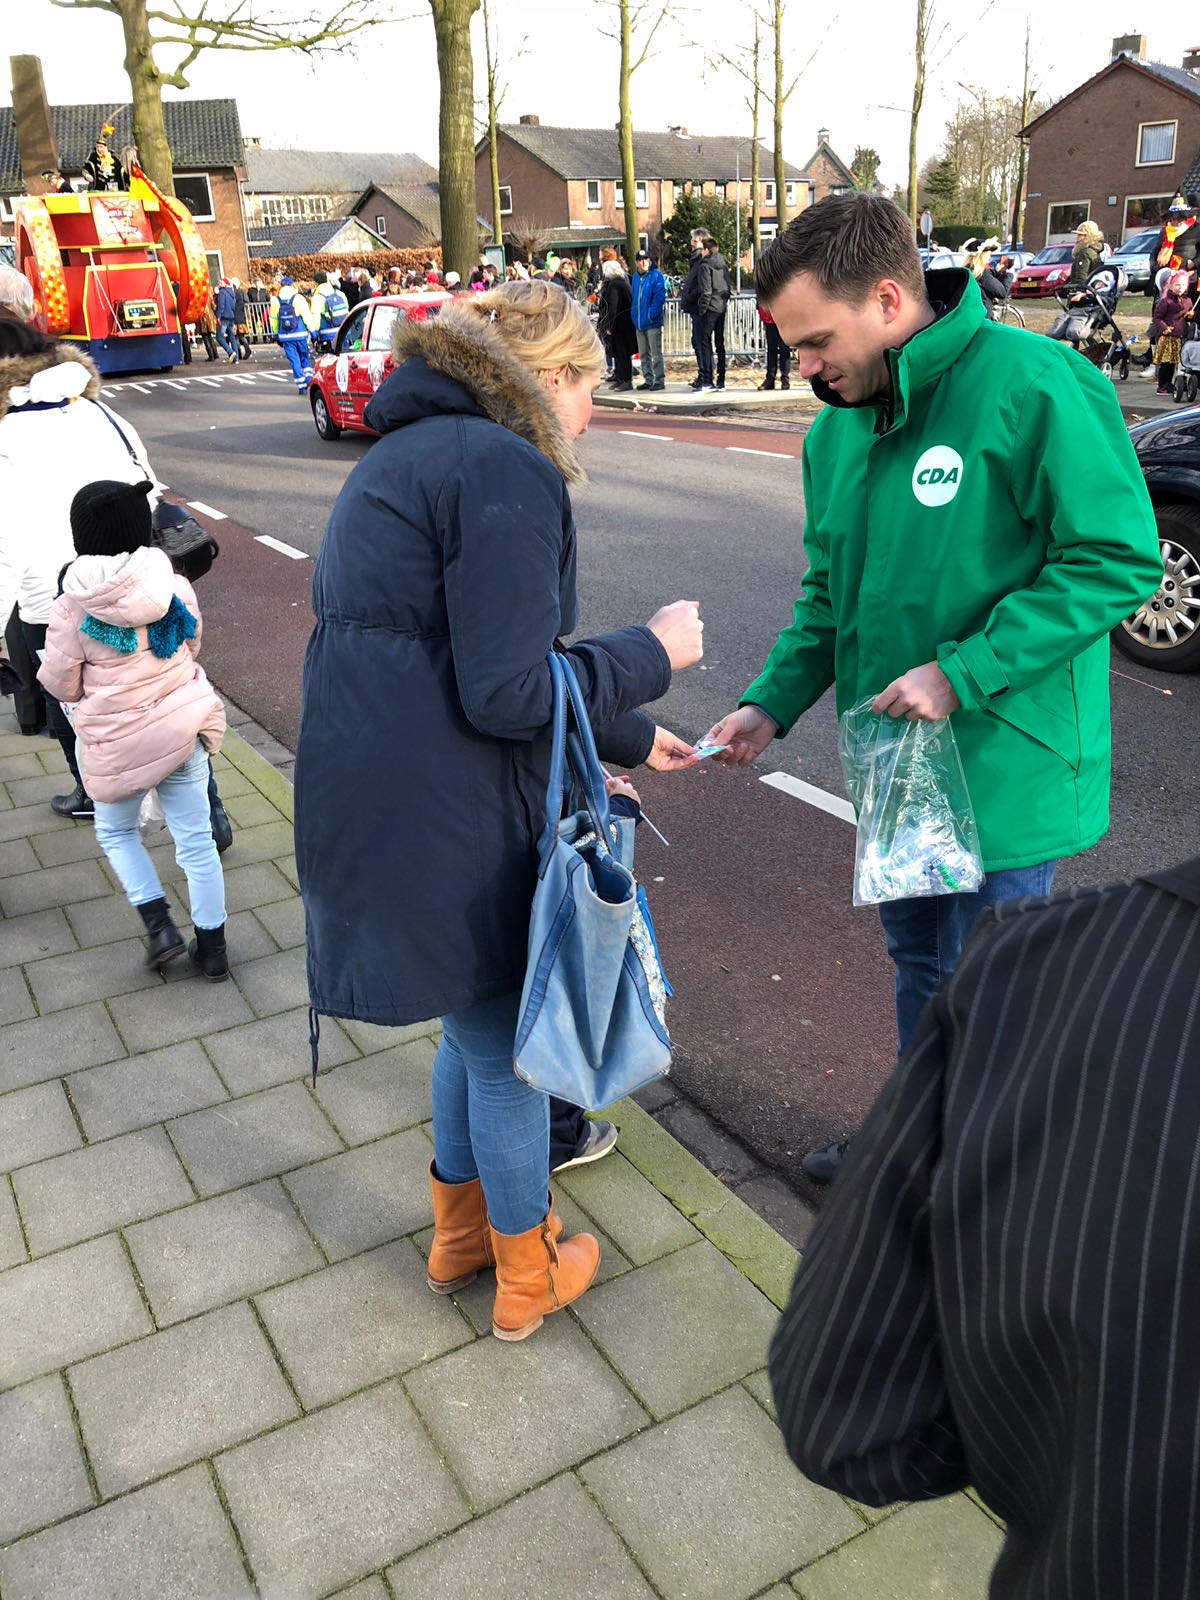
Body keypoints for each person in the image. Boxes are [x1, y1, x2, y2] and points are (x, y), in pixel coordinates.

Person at [703, 193, 1162, 1183]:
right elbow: (829, 595)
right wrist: (770, 703)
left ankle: (982, 1192)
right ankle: (922, 1148)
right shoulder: (835, 433)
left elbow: (1118, 560)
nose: (804, 368)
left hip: (1005, 764)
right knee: (922, 962)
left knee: (989, 989)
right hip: (900, 765)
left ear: (886, 299)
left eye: (816, 341)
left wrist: (963, 674)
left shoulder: (1037, 384)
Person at [294, 279, 702, 1340]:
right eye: (592, 387)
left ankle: (461, 1237)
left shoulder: (404, 452)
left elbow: (461, 658)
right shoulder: (502, 466)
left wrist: (623, 734)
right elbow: (511, 690)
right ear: (552, 377)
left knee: (466, 1034)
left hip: (378, 792)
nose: (594, 413)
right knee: (509, 1056)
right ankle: (527, 1271)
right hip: (452, 811)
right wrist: (654, 652)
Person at [768, 853, 1200, 1600]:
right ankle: (916, 1127)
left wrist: (1036, 1429)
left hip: (1013, 819)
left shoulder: (1052, 964)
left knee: (965, 972)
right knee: (921, 956)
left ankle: (920, 1135)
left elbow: (849, 1419)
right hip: (919, 809)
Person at [38, 480, 228, 978]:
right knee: (196, 842)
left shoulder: (71, 607)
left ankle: (160, 927)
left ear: (81, 536)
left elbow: (61, 685)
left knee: (117, 831)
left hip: (116, 746)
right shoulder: (174, 585)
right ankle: (213, 950)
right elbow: (191, 645)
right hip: (183, 731)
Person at [0, 317, 162, 818]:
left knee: (68, 703)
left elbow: (5, 547)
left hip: (51, 600)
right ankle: (206, 808)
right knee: (161, 694)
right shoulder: (98, 411)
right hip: (129, 583)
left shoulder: (7, 436)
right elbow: (148, 487)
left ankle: (95, 796)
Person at [269, 276, 318, 393]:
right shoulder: (298, 298)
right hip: (300, 334)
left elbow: (274, 319)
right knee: (304, 357)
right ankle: (309, 378)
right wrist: (313, 332)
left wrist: (277, 333)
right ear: (292, 285)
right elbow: (306, 316)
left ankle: (301, 386)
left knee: (294, 360)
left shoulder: (275, 300)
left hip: (285, 336)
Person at [1149, 268, 1193, 396]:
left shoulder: (1188, 301)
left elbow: (1187, 317)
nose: (1180, 287)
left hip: (1181, 336)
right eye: (1177, 284)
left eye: (1183, 285)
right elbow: (1157, 318)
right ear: (1171, 285)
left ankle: (1178, 383)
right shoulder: (1166, 301)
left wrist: (1191, 315)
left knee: (1178, 363)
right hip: (1168, 337)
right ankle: (1162, 385)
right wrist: (1164, 327)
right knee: (1167, 363)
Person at [696, 236, 731, 391]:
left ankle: (707, 380)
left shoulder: (705, 266)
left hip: (710, 308)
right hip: (721, 306)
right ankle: (721, 380)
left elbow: (706, 290)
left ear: (706, 250)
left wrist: (702, 309)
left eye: (702, 249)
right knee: (720, 344)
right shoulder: (723, 264)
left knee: (705, 342)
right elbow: (728, 287)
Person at [597, 259, 636, 391]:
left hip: (620, 325)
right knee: (619, 353)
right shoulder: (621, 283)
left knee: (622, 353)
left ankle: (625, 380)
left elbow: (613, 307)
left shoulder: (615, 285)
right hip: (623, 323)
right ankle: (620, 378)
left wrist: (610, 326)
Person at [631, 250, 667, 391]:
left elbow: (659, 297)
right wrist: (634, 315)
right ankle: (648, 378)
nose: (644, 262)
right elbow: (635, 298)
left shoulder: (656, 276)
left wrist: (651, 315)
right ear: (637, 262)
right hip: (640, 321)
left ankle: (659, 379)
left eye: (646, 259)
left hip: (652, 322)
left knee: (656, 353)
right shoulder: (635, 277)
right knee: (644, 353)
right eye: (640, 260)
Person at [679, 230, 706, 388]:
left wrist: (689, 296)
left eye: (695, 241)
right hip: (694, 308)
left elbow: (702, 285)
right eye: (692, 240)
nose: (692, 244)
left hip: (699, 308)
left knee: (701, 342)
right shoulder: (695, 261)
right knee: (696, 342)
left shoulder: (702, 261)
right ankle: (702, 374)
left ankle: (705, 376)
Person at [965, 237, 1009, 317]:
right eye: (988, 254)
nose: (990, 256)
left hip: (968, 315)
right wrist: (1009, 274)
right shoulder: (982, 274)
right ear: (983, 255)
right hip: (982, 317)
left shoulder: (966, 270)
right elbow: (1002, 293)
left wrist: (996, 272)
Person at [310, 271, 349, 353]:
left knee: (330, 358)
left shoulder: (317, 298)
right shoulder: (340, 293)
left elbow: (315, 319)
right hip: (343, 331)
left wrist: (314, 337)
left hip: (327, 334)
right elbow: (347, 310)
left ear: (316, 283)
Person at [757, 302, 791, 390]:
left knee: (784, 348)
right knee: (771, 349)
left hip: (784, 316)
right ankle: (770, 378)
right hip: (769, 315)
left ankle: (785, 378)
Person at [82, 123, 120, 191]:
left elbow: (120, 172)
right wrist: (87, 176)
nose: (99, 149)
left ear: (106, 147)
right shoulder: (93, 157)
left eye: (101, 147)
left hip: (112, 190)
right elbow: (85, 170)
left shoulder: (113, 158)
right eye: (97, 147)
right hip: (96, 189)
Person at [1068, 220, 1105, 287]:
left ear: (1088, 236)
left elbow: (1081, 276)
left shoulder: (1085, 253)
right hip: (1091, 288)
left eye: (1080, 235)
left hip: (1082, 289)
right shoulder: (1095, 251)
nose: (1077, 238)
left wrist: (1079, 289)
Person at [214, 278, 239, 364]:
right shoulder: (232, 292)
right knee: (232, 337)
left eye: (221, 282)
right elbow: (233, 305)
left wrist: (218, 316)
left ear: (225, 283)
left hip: (224, 317)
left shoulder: (222, 292)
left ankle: (230, 352)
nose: (219, 283)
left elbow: (221, 305)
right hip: (231, 316)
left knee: (219, 337)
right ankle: (236, 358)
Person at [231, 278, 251, 360]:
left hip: (236, 316)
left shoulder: (235, 294)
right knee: (240, 336)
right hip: (241, 316)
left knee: (237, 336)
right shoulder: (241, 292)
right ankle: (246, 350)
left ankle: (240, 352)